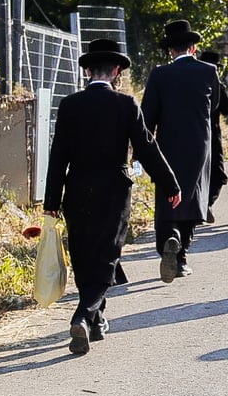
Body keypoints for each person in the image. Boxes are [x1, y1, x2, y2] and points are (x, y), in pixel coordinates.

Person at [44, 39, 181, 355]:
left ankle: (95, 320)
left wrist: (51, 202)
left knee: (84, 254)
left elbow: (57, 156)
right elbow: (147, 149)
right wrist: (170, 184)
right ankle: (83, 314)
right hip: (114, 193)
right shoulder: (126, 105)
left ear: (88, 70)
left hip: (76, 189)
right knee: (107, 256)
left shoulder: (70, 105)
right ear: (117, 71)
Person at [141, 19, 221, 282]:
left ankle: (169, 237)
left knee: (168, 195)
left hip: (167, 146)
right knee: (193, 197)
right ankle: (182, 255)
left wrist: (141, 151)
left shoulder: (159, 74)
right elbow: (214, 107)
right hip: (200, 145)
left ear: (170, 51)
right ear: (194, 47)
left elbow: (147, 116)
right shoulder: (209, 71)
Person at [197, 49, 228, 224]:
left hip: (194, 133)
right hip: (213, 133)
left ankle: (201, 205)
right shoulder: (218, 85)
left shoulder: (193, 84)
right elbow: (226, 110)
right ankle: (208, 203)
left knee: (197, 170)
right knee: (218, 173)